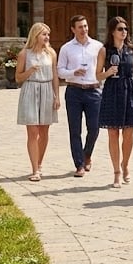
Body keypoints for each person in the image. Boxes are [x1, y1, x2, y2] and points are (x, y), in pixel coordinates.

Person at [96, 17, 133, 189]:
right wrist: (108, 72)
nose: (124, 32)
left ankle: (125, 164)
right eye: (120, 29)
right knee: (113, 133)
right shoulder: (104, 51)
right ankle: (116, 172)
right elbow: (97, 75)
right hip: (111, 91)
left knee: (128, 133)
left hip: (129, 90)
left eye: (126, 29)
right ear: (112, 31)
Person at [56, 15, 103, 177]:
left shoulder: (98, 46)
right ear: (73, 29)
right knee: (75, 130)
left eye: (85, 26)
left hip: (94, 91)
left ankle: (87, 154)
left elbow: (103, 69)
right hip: (74, 92)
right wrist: (73, 72)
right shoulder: (66, 48)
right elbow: (60, 71)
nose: (84, 30)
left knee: (94, 128)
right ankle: (79, 164)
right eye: (80, 27)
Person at [15, 22, 60, 181]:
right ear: (35, 35)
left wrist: (57, 96)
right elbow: (18, 77)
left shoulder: (51, 53)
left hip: (47, 90)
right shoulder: (24, 54)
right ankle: (34, 169)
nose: (47, 37)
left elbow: (55, 76)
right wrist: (30, 71)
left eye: (48, 34)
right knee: (33, 131)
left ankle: (39, 163)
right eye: (44, 34)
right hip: (30, 90)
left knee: (44, 131)